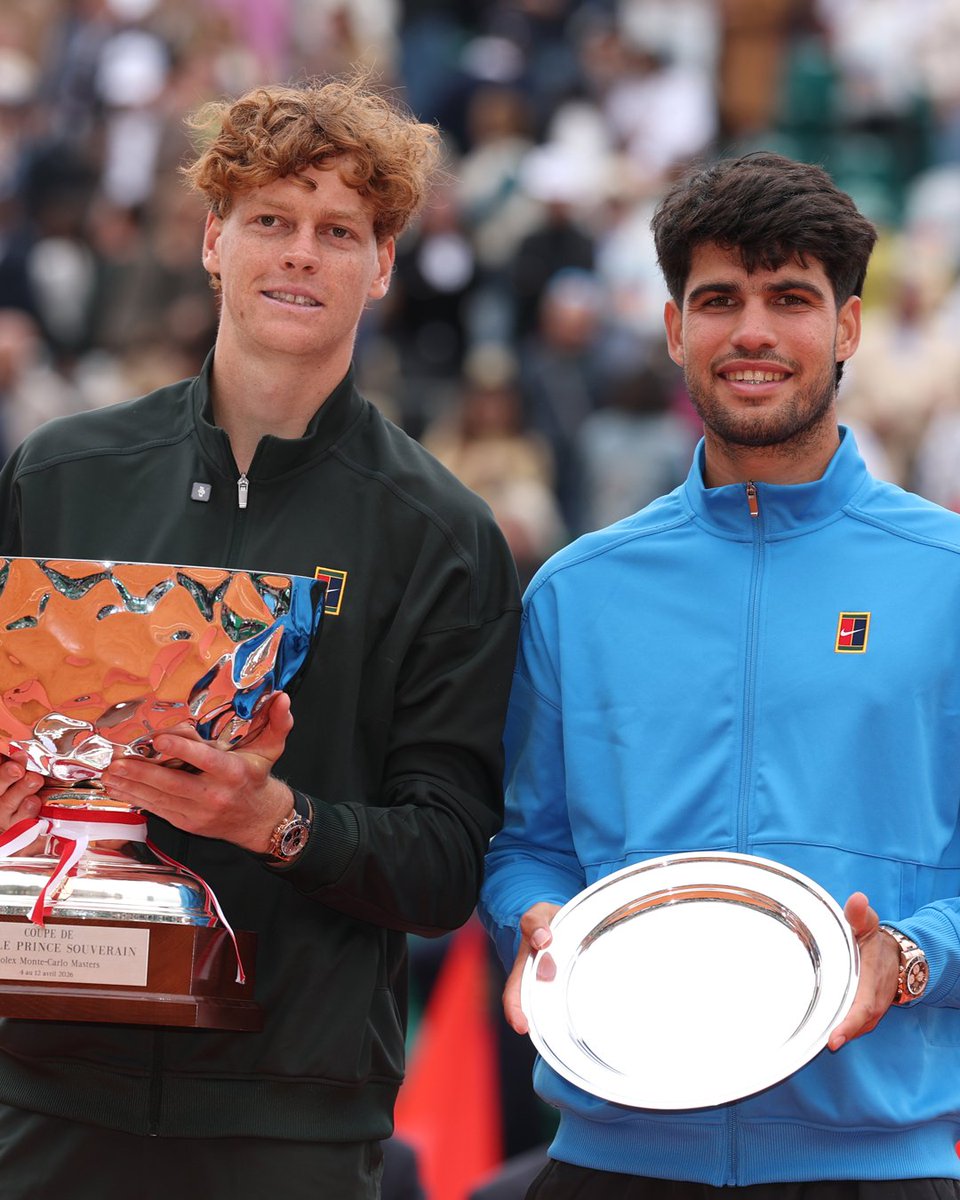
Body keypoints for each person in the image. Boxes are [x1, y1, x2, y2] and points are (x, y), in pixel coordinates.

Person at [0, 74, 521, 1199]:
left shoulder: (443, 535)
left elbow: (444, 866)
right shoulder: (59, 474)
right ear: (211, 239)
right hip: (43, 1089)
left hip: (293, 1115)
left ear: (383, 265)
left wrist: (275, 823)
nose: (300, 253)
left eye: (340, 231)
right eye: (271, 220)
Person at [478, 151, 960, 1198]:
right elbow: (529, 846)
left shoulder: (948, 581)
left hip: (881, 1166)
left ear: (847, 327)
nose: (751, 332)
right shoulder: (576, 591)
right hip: (613, 1161)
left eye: (790, 298)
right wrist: (535, 920)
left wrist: (912, 958)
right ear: (672, 330)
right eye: (719, 300)